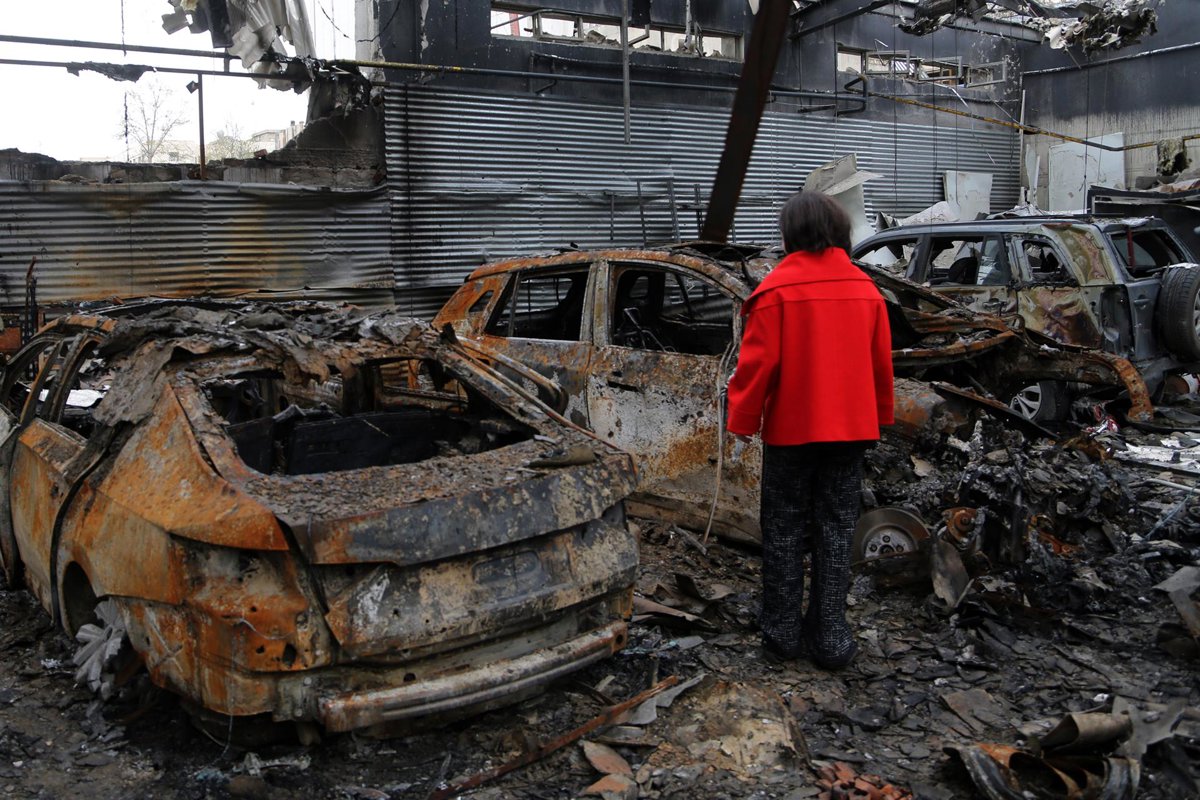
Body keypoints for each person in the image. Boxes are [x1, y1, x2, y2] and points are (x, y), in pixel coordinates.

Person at [726, 190, 894, 669]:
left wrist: (742, 419)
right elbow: (881, 366)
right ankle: (831, 637)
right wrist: (880, 415)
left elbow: (756, 367)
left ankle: (782, 633)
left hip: (792, 433)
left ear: (791, 235)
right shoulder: (866, 289)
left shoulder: (776, 291)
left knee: (783, 530)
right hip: (852, 432)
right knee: (836, 530)